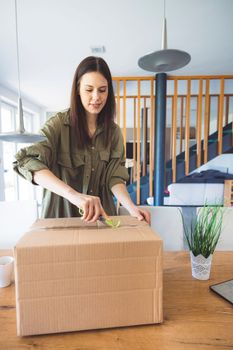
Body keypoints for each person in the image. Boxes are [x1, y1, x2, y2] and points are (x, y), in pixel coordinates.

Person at [13, 56, 150, 224]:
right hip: (61, 220)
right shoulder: (58, 124)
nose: (96, 97)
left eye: (102, 90)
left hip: (102, 221)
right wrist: (74, 196)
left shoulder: (113, 132)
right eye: (89, 89)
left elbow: (115, 178)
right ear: (78, 89)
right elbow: (26, 161)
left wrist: (131, 207)